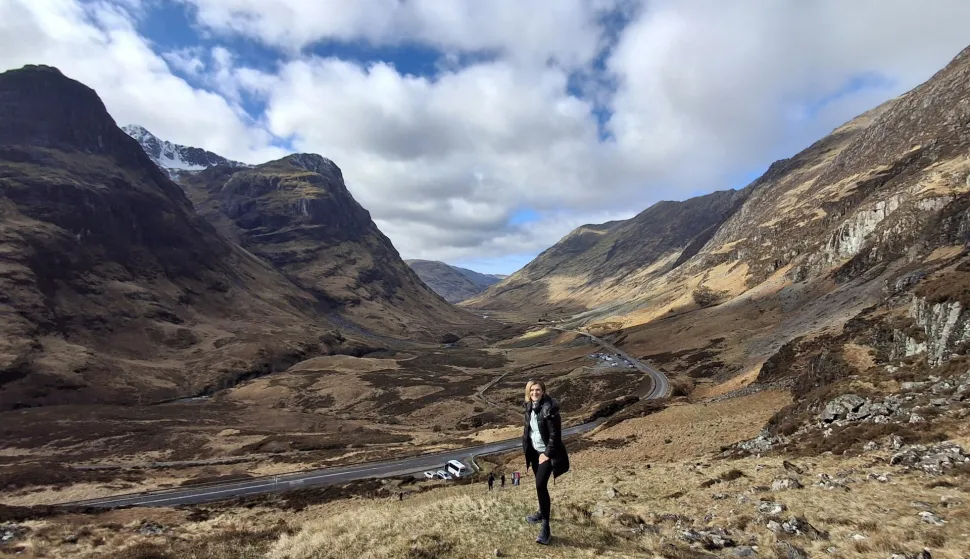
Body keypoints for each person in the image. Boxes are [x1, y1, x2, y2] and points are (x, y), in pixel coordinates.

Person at [522, 379, 570, 545]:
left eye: (538, 390)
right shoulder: (529, 407)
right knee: (539, 483)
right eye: (532, 390)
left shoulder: (549, 409)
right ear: (528, 392)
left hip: (548, 454)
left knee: (540, 485)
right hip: (535, 453)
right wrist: (529, 450)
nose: (535, 393)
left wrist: (546, 454)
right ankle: (542, 512)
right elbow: (529, 430)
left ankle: (546, 528)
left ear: (543, 391)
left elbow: (555, 436)